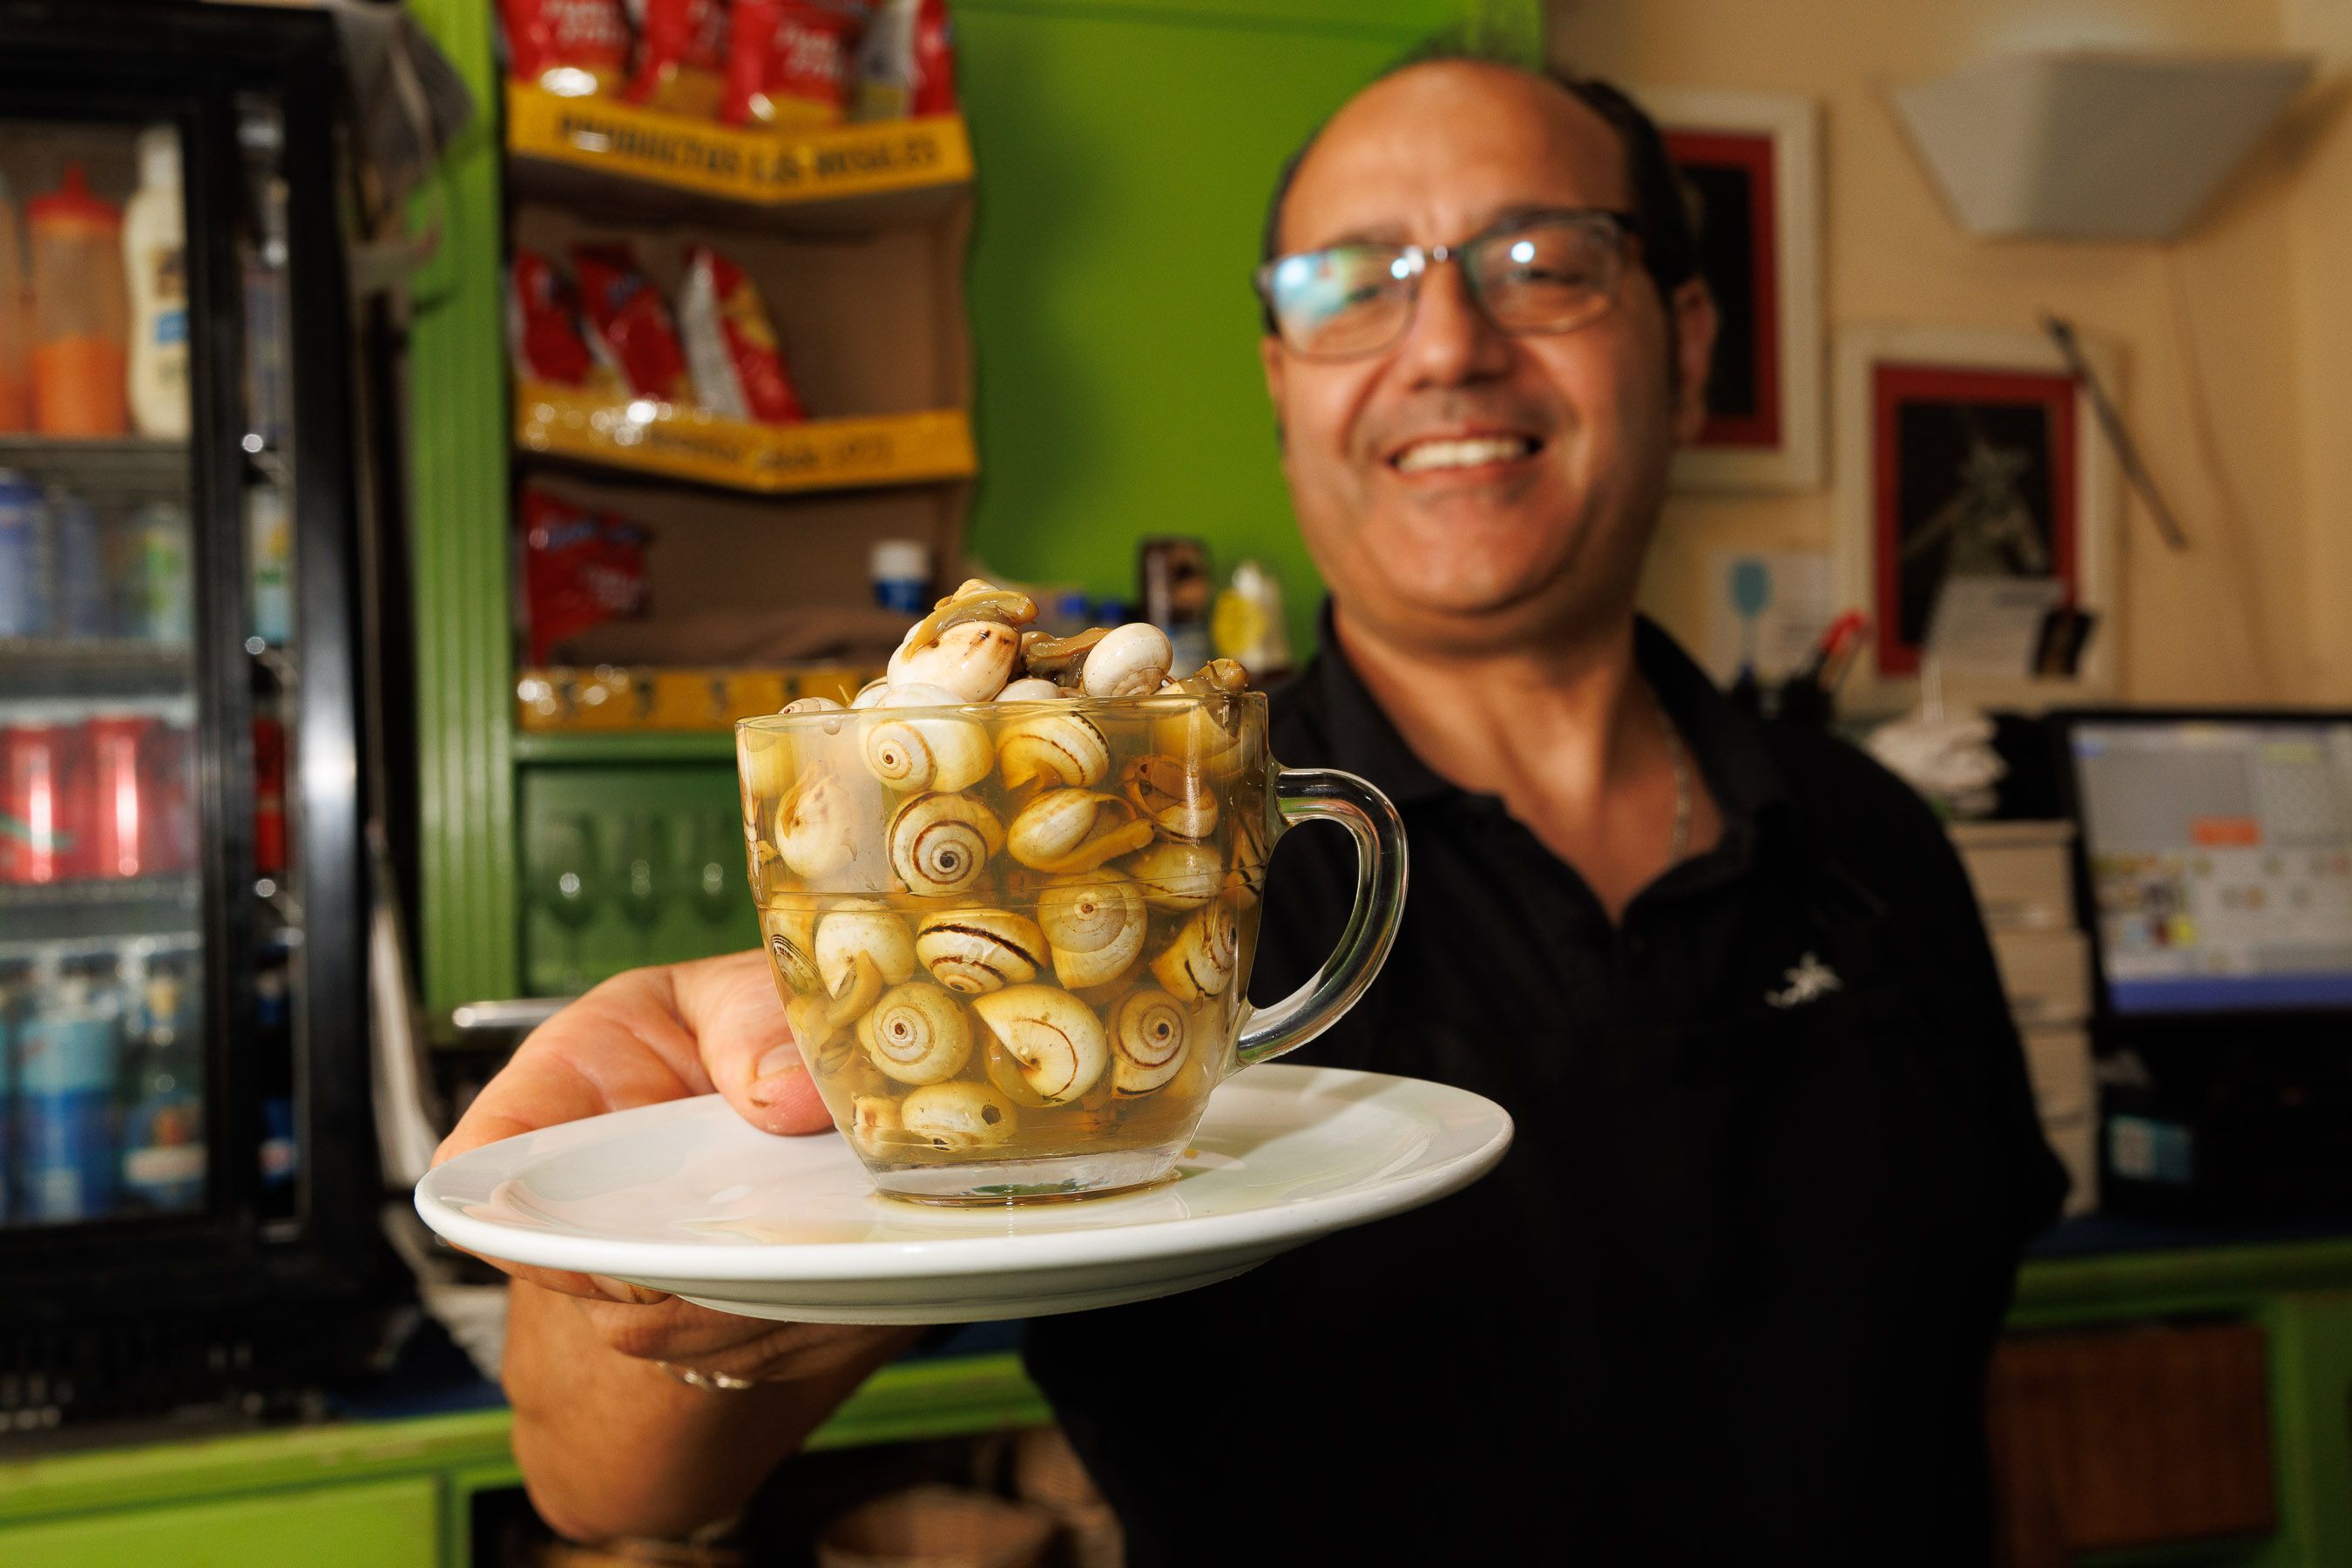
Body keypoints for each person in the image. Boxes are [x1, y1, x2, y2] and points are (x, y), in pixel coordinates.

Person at [440, 53, 2066, 1564]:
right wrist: (719, 1189)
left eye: (1541, 262)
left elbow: (1971, 1387)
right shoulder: (1127, 850)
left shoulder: (1884, 845)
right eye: (1354, 288)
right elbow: (608, 1488)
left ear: (1688, 339)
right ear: (1285, 390)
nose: (1446, 346)